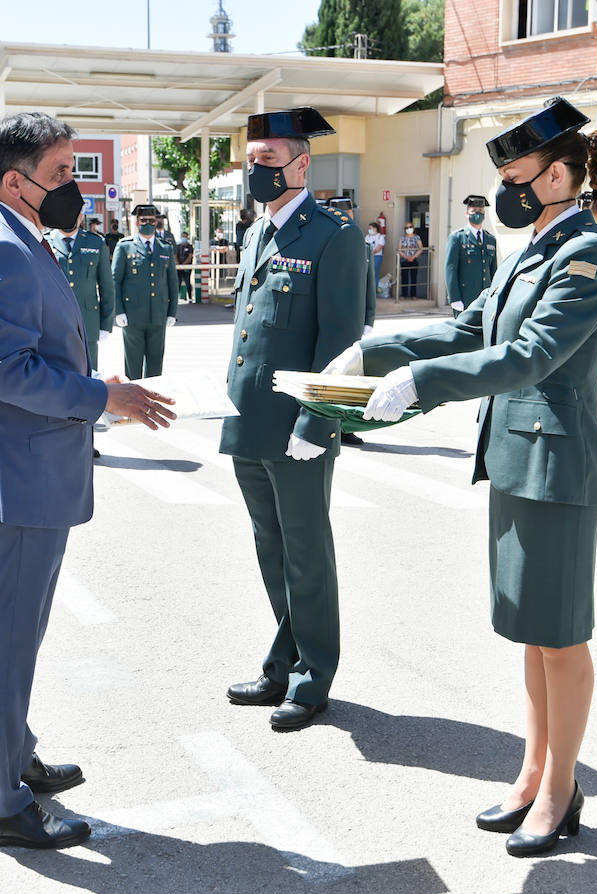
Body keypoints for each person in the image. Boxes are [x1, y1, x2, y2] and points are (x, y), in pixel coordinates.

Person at [335, 97, 597, 858]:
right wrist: (376, 352)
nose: (508, 189)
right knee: (531, 634)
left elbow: (529, 355)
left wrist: (423, 383)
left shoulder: (588, 256)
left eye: (519, 173)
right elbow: (470, 330)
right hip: (514, 456)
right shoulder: (533, 246)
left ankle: (561, 793)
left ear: (558, 174)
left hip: (557, 463)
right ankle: (533, 774)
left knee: (559, 638)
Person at [0, 111, 174, 851]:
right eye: (62, 174)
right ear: (16, 182)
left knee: (16, 636)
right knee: (6, 641)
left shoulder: (16, 234)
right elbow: (8, 371)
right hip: (19, 477)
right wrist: (102, 396)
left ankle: (11, 759)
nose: (75, 186)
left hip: (30, 469)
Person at [221, 107, 366, 732]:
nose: (257, 171)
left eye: (268, 161)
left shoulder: (333, 236)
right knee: (270, 549)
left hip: (297, 426)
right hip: (249, 420)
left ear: (301, 165)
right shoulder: (257, 233)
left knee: (306, 552)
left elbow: (342, 341)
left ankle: (313, 677)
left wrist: (319, 422)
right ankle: (283, 663)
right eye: (251, 162)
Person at [324, 194, 378, 448]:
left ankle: (344, 427)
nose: (347, 216)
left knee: (350, 377)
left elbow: (369, 284)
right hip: (328, 322)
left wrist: (369, 317)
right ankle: (325, 424)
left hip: (354, 322)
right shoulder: (324, 240)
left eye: (349, 211)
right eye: (341, 211)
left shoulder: (362, 244)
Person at [110, 203, 179, 379]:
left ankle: (153, 401)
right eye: (143, 220)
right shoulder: (125, 247)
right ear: (137, 222)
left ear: (156, 222)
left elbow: (172, 282)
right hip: (132, 316)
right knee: (133, 364)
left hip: (158, 314)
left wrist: (172, 312)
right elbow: (115, 281)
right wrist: (119, 311)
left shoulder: (165, 248)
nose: (147, 223)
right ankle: (133, 401)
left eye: (151, 220)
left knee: (156, 364)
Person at [47, 213, 115, 369]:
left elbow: (107, 286)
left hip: (88, 321)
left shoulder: (95, 242)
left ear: (80, 216)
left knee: (89, 373)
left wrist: (105, 323)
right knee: (58, 374)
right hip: (53, 321)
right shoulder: (45, 242)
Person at [445, 195, 499, 314]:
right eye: (474, 211)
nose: (477, 214)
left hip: (486, 297)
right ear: (467, 214)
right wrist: (455, 298)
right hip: (465, 298)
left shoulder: (491, 239)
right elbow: (450, 270)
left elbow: (493, 270)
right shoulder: (457, 238)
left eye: (480, 211)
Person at [398, 222, 424, 298]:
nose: (408, 229)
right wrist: (406, 257)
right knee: (404, 278)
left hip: (414, 260)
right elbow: (399, 249)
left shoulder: (417, 237)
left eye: (410, 227)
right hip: (404, 260)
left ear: (413, 228)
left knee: (413, 278)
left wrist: (413, 257)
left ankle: (413, 295)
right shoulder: (402, 238)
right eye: (406, 228)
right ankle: (404, 295)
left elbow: (420, 248)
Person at [175, 230, 195, 303]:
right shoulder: (177, 246)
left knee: (187, 282)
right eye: (183, 237)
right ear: (180, 237)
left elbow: (190, 256)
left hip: (187, 267)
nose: (184, 238)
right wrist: (178, 263)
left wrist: (184, 265)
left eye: (185, 237)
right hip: (179, 267)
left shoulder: (190, 247)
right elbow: (175, 255)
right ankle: (176, 297)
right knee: (178, 282)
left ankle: (190, 297)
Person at [365, 222, 385, 286]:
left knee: (374, 273)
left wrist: (370, 252)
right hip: (368, 257)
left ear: (375, 228)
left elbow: (378, 249)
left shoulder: (380, 237)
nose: (369, 230)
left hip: (377, 257)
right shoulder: (367, 236)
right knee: (367, 273)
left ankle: (374, 290)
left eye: (370, 228)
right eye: (368, 228)